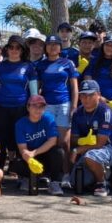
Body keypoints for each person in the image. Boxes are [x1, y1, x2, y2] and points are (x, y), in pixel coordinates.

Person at [0, 35, 39, 165]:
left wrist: (34, 109)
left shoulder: (29, 67)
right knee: (0, 139)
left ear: (22, 50)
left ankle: (19, 170)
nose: (14, 50)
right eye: (11, 47)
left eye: (18, 47)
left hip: (21, 108)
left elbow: (34, 92)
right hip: (1, 107)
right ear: (7, 49)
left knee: (19, 138)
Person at [36, 35, 79, 181]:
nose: (52, 47)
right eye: (49, 44)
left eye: (56, 44)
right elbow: (37, 87)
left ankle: (66, 174)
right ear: (45, 48)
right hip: (46, 105)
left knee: (64, 142)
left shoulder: (68, 63)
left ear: (60, 47)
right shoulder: (41, 65)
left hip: (63, 104)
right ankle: (49, 173)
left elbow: (74, 86)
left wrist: (73, 106)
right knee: (47, 140)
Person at [70, 80, 112, 197]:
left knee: (91, 156)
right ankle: (108, 175)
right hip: (88, 148)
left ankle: (101, 183)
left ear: (98, 95)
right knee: (76, 182)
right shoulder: (78, 112)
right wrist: (82, 141)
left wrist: (78, 150)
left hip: (110, 148)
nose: (86, 98)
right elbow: (73, 139)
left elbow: (100, 143)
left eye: (90, 95)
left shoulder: (106, 112)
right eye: (83, 95)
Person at [12, 95, 65, 195]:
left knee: (58, 152)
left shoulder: (48, 118)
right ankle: (29, 178)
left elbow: (53, 141)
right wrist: (28, 156)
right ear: (28, 107)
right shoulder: (20, 124)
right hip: (30, 158)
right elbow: (23, 149)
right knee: (17, 162)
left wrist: (34, 152)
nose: (38, 109)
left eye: (41, 106)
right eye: (34, 106)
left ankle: (54, 182)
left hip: (44, 155)